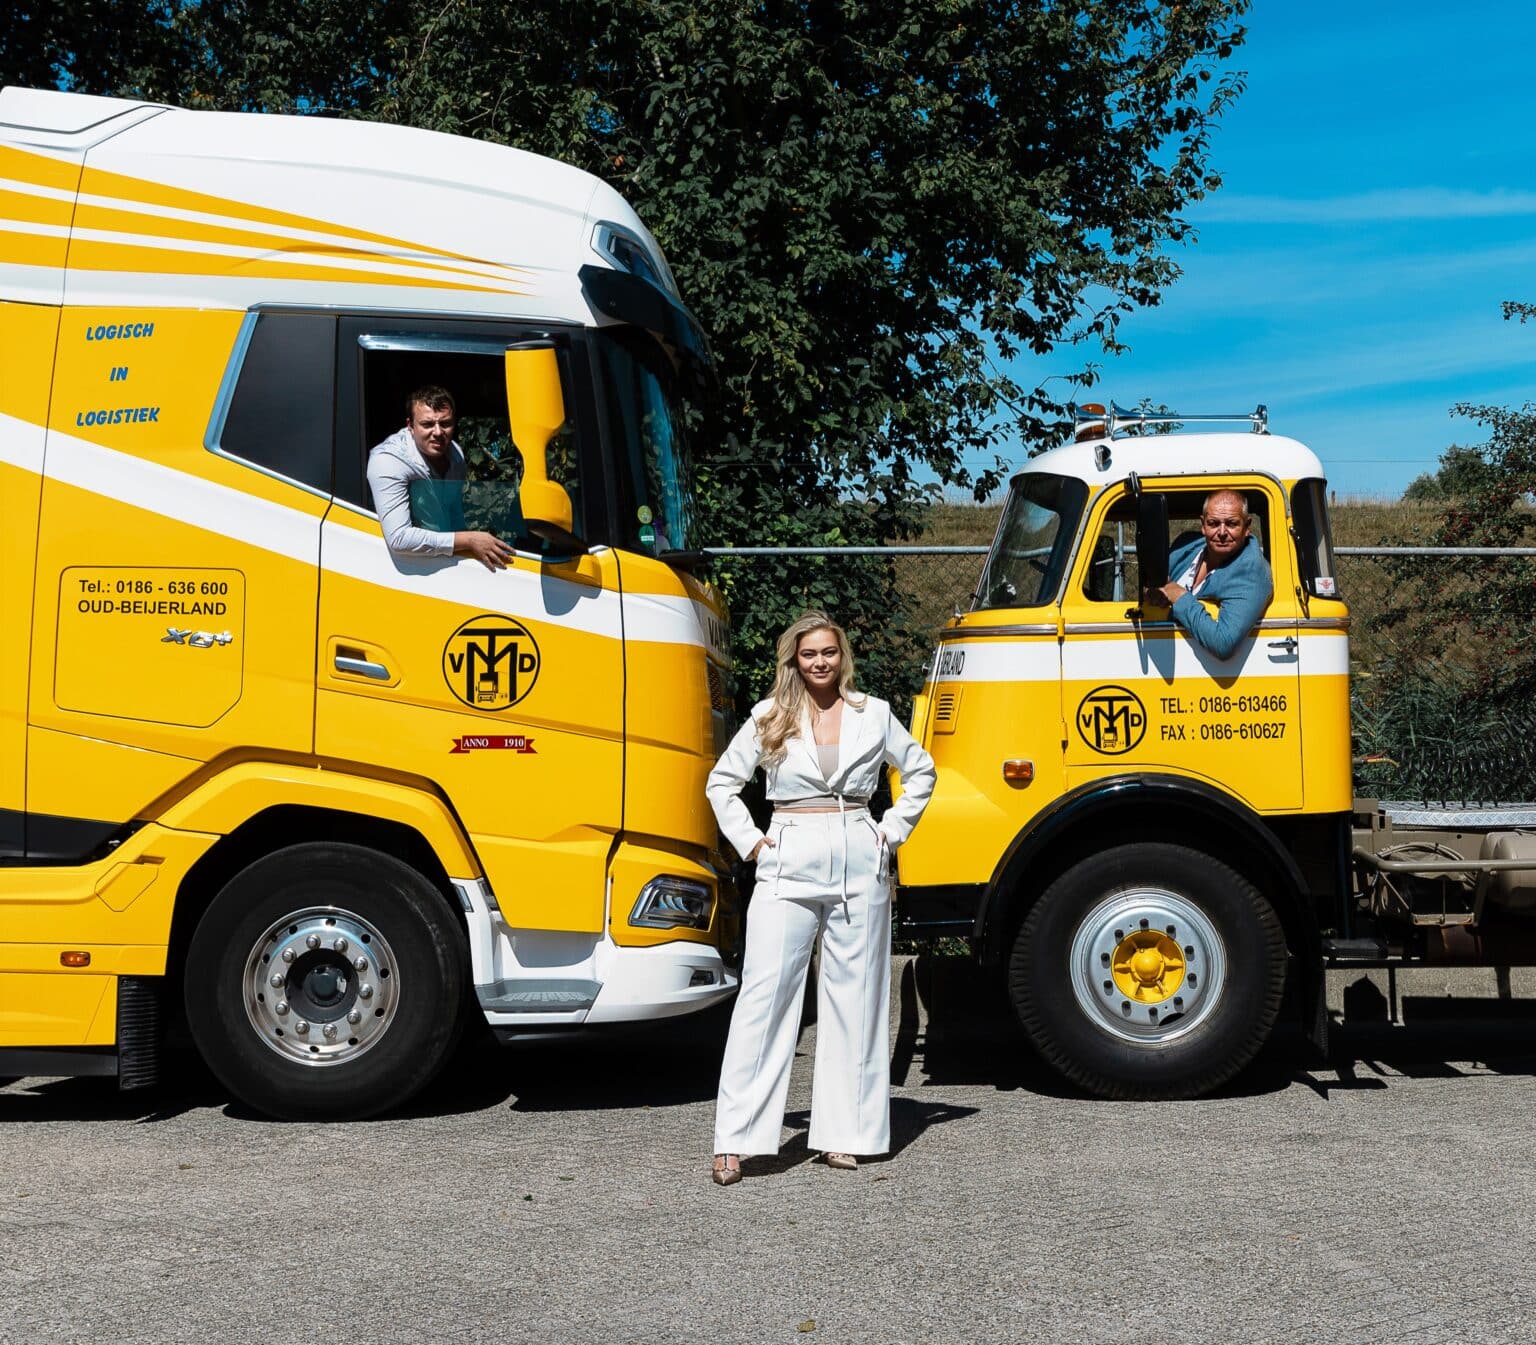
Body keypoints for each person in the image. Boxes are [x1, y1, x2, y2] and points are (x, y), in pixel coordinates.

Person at [705, 610, 936, 1185]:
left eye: (828, 652)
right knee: (765, 995)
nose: (820, 662)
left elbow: (922, 770)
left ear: (842, 655)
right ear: (794, 659)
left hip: (859, 853)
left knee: (856, 999)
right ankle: (736, 1139)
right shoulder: (769, 716)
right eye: (809, 654)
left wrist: (890, 830)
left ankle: (846, 1134)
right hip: (787, 855)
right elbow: (722, 784)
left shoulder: (874, 713)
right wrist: (754, 845)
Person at [366, 386, 512, 571]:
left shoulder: (455, 454)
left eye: (445, 423)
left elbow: (454, 513)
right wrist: (469, 540)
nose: (438, 432)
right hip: (390, 566)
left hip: (439, 562)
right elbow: (399, 538)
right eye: (427, 424)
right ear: (410, 426)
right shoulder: (388, 461)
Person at [1153, 489, 1272, 659]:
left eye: (1232, 524)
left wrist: (1179, 596)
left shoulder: (1252, 571)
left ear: (1247, 527)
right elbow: (1157, 581)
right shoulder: (1186, 545)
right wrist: (1153, 593)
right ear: (1203, 525)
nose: (1222, 532)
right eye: (1213, 523)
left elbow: (1223, 642)